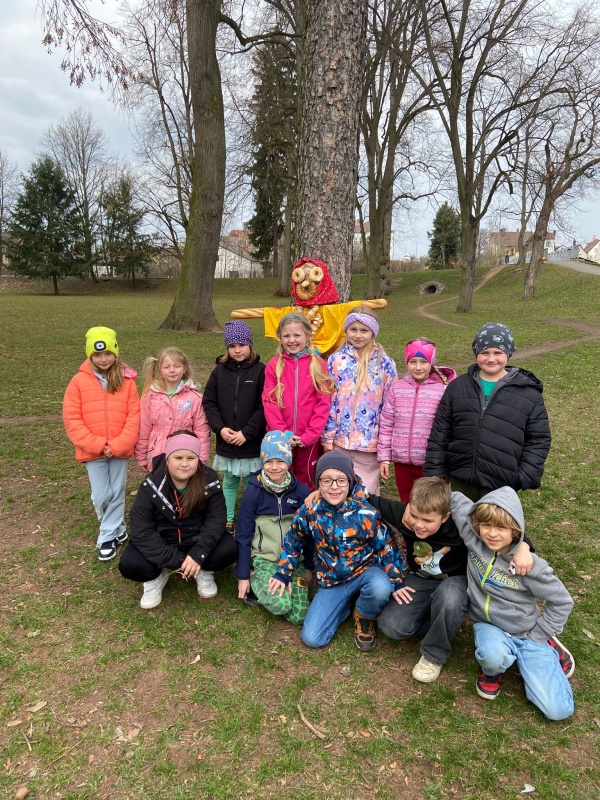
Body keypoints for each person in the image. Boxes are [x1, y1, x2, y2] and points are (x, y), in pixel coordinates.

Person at [371, 477, 534, 683]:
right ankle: (445, 621)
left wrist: (524, 546)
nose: (419, 525)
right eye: (414, 515)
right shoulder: (406, 516)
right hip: (421, 578)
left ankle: (433, 654)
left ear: (445, 516)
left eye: (428, 521)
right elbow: (369, 499)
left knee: (449, 598)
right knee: (391, 626)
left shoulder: (461, 524)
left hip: (457, 581)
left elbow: (498, 528)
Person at [452, 487, 575, 720]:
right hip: (489, 625)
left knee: (558, 711)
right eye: (486, 525)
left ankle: (548, 644)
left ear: (515, 530)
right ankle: (493, 670)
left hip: (528, 633)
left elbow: (561, 601)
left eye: (501, 528)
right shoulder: (473, 537)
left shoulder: (529, 566)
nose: (491, 534)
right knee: (492, 656)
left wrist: (540, 633)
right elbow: (455, 499)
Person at [269, 451, 404, 651]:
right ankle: (344, 606)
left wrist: (396, 581)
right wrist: (283, 573)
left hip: (365, 572)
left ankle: (364, 614)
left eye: (341, 480)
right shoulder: (311, 510)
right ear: (318, 482)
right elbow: (293, 540)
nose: (334, 487)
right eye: (327, 480)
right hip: (332, 579)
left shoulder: (366, 512)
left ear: (350, 481)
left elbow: (387, 547)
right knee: (312, 638)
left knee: (380, 588)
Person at [424, 323, 551, 501]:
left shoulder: (529, 394)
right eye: (485, 352)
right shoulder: (457, 387)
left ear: (508, 352)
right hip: (461, 479)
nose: (491, 359)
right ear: (476, 353)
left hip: (502, 484)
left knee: (492, 521)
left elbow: (539, 439)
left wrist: (524, 476)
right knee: (461, 518)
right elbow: (440, 431)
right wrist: (435, 472)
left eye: (498, 352)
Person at [119, 431, 237, 608]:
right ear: (167, 459)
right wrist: (177, 561)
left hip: (195, 539)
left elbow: (216, 519)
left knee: (229, 550)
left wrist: (198, 554)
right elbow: (141, 529)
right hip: (164, 541)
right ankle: (156, 576)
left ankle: (202, 570)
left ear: (198, 459)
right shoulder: (151, 484)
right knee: (131, 564)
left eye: (191, 458)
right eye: (178, 457)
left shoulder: (209, 479)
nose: (184, 464)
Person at [63, 326, 140, 562]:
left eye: (108, 353)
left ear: (115, 353)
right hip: (93, 450)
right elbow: (72, 418)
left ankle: (106, 537)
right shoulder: (78, 382)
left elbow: (134, 416)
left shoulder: (127, 381)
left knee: (116, 492)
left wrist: (117, 445)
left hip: (119, 449)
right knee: (101, 495)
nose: (103, 359)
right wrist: (97, 444)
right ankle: (117, 528)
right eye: (97, 355)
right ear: (89, 355)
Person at [235, 431, 312, 623]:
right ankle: (255, 579)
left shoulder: (302, 492)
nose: (274, 467)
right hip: (265, 558)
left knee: (299, 616)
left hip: (294, 560)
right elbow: (243, 534)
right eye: (269, 461)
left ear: (289, 460)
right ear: (262, 461)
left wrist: (308, 566)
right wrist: (243, 576)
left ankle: (287, 585)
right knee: (281, 605)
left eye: (280, 461)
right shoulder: (253, 491)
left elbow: (308, 533)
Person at [321, 308, 397, 494]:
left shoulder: (385, 363)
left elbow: (390, 407)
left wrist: (384, 445)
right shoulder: (336, 360)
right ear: (346, 330)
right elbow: (329, 399)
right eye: (353, 329)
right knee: (338, 491)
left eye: (364, 330)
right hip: (339, 442)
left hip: (369, 444)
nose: (358, 335)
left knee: (366, 494)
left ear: (373, 332)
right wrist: (328, 437)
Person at [202, 321, 266, 533]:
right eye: (232, 346)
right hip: (227, 439)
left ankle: (250, 519)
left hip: (250, 441)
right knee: (229, 482)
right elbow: (209, 402)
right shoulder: (219, 372)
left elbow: (264, 405)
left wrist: (247, 433)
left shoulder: (260, 371)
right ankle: (227, 519)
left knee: (250, 483)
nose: (237, 350)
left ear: (250, 344)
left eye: (242, 345)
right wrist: (220, 428)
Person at [378, 339, 455, 502]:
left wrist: (447, 461)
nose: (418, 367)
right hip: (402, 463)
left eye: (423, 362)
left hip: (430, 463)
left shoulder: (443, 390)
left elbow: (449, 428)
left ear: (431, 363)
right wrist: (384, 457)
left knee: (429, 504)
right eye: (413, 361)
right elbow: (386, 424)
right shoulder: (396, 389)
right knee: (406, 501)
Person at [262, 312, 333, 488]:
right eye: (286, 335)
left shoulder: (318, 364)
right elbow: (270, 402)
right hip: (280, 437)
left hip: (307, 438)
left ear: (307, 336)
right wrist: (283, 433)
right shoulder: (274, 365)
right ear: (280, 337)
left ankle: (304, 505)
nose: (292, 340)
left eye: (297, 335)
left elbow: (323, 403)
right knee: (279, 477)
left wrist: (310, 435)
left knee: (306, 479)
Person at [135, 346, 210, 472]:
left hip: (185, 456)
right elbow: (144, 428)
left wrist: (201, 458)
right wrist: (141, 455)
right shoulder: (150, 396)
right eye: (167, 367)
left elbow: (202, 431)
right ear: (160, 369)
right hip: (157, 454)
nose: (172, 370)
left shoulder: (195, 398)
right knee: (160, 483)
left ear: (184, 368)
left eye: (177, 366)